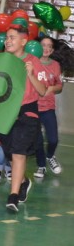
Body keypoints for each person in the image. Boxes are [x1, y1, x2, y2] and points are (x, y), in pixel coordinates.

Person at [0, 25, 46, 212]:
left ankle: (13, 196)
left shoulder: (33, 61)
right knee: (10, 153)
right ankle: (23, 180)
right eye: (6, 37)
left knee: (18, 153)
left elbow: (42, 91)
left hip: (27, 112)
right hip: (4, 112)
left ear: (23, 41)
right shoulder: (1, 60)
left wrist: (31, 74)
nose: (7, 41)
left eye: (12, 37)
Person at [33, 36, 74, 178]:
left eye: (49, 46)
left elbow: (59, 86)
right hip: (32, 107)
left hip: (48, 108)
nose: (46, 48)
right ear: (38, 47)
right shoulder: (31, 63)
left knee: (53, 139)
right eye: (43, 45)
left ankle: (50, 157)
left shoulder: (55, 65)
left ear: (52, 50)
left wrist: (51, 89)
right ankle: (41, 166)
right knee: (37, 141)